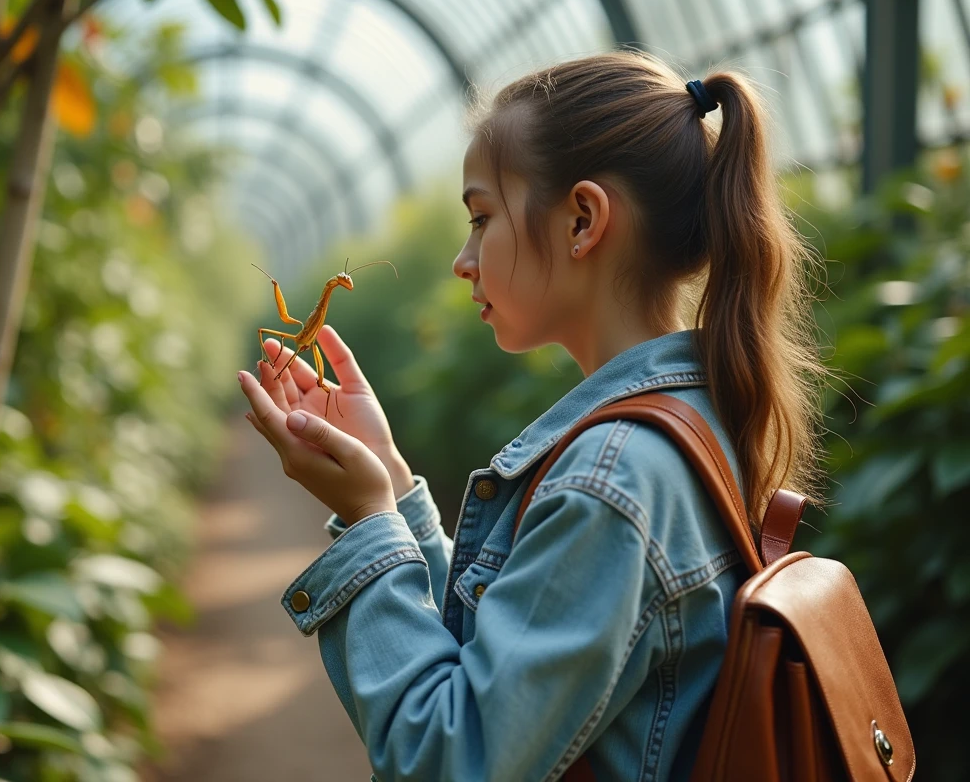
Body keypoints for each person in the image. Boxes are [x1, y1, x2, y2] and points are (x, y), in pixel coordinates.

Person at [236, 50, 830, 782]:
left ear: (583, 219)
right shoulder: (692, 423)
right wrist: (389, 488)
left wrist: (366, 526)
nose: (463, 258)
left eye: (482, 217)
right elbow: (511, 656)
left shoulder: (613, 481)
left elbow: (452, 758)